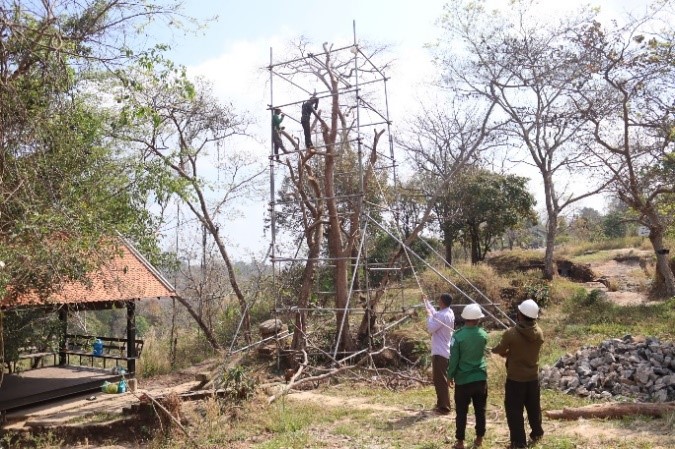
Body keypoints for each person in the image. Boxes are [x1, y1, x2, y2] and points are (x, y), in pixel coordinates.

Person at [492, 299, 545, 449]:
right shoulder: (539, 333)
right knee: (534, 407)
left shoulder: (511, 333)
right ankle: (537, 432)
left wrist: (503, 352)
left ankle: (518, 442)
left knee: (514, 410)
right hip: (533, 378)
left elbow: (500, 349)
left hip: (515, 379)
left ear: (520, 315)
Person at [447, 304, 488, 449]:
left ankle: (460, 442)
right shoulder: (483, 334)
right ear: (478, 319)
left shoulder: (458, 336)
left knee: (461, 412)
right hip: (480, 379)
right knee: (480, 410)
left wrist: (449, 375)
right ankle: (479, 438)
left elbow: (454, 360)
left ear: (465, 318)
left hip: (463, 380)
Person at [423, 292, 455, 415]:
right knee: (440, 379)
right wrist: (426, 302)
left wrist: (428, 316)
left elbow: (431, 328)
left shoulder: (442, 315)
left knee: (440, 380)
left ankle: (444, 407)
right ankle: (442, 403)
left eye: (439, 300)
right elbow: (435, 313)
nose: (438, 301)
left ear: (442, 302)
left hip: (439, 352)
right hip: (444, 350)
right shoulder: (448, 312)